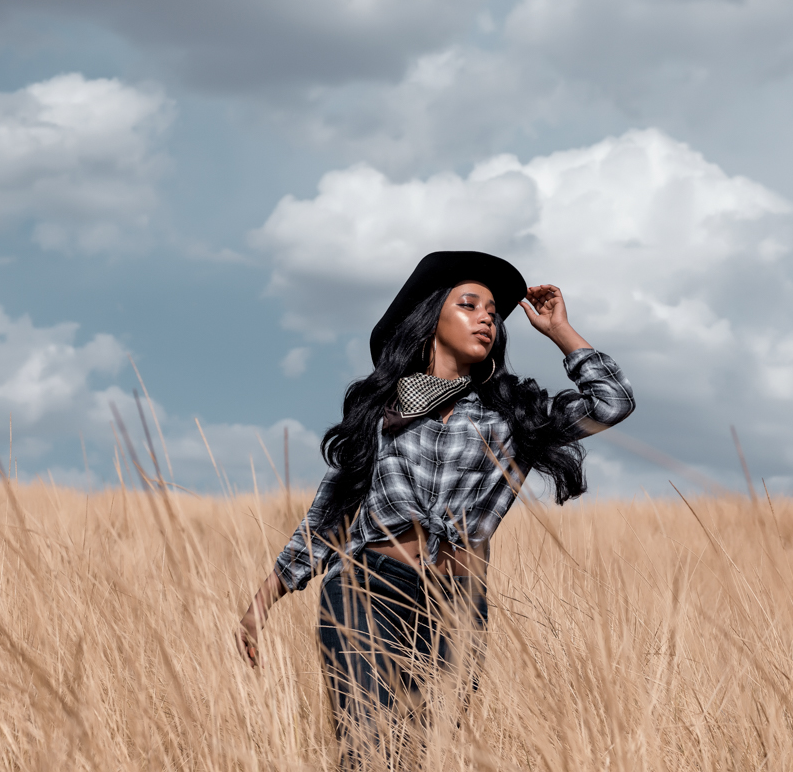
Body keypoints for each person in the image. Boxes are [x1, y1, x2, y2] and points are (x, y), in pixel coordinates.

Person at [234, 250, 635, 769]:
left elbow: (612, 400)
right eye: (470, 305)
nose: (488, 316)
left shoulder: (514, 415)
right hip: (366, 588)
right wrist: (260, 605)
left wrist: (561, 331)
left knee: (425, 757)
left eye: (494, 310)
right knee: (367, 750)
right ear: (431, 320)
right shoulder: (379, 413)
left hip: (456, 606)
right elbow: (325, 519)